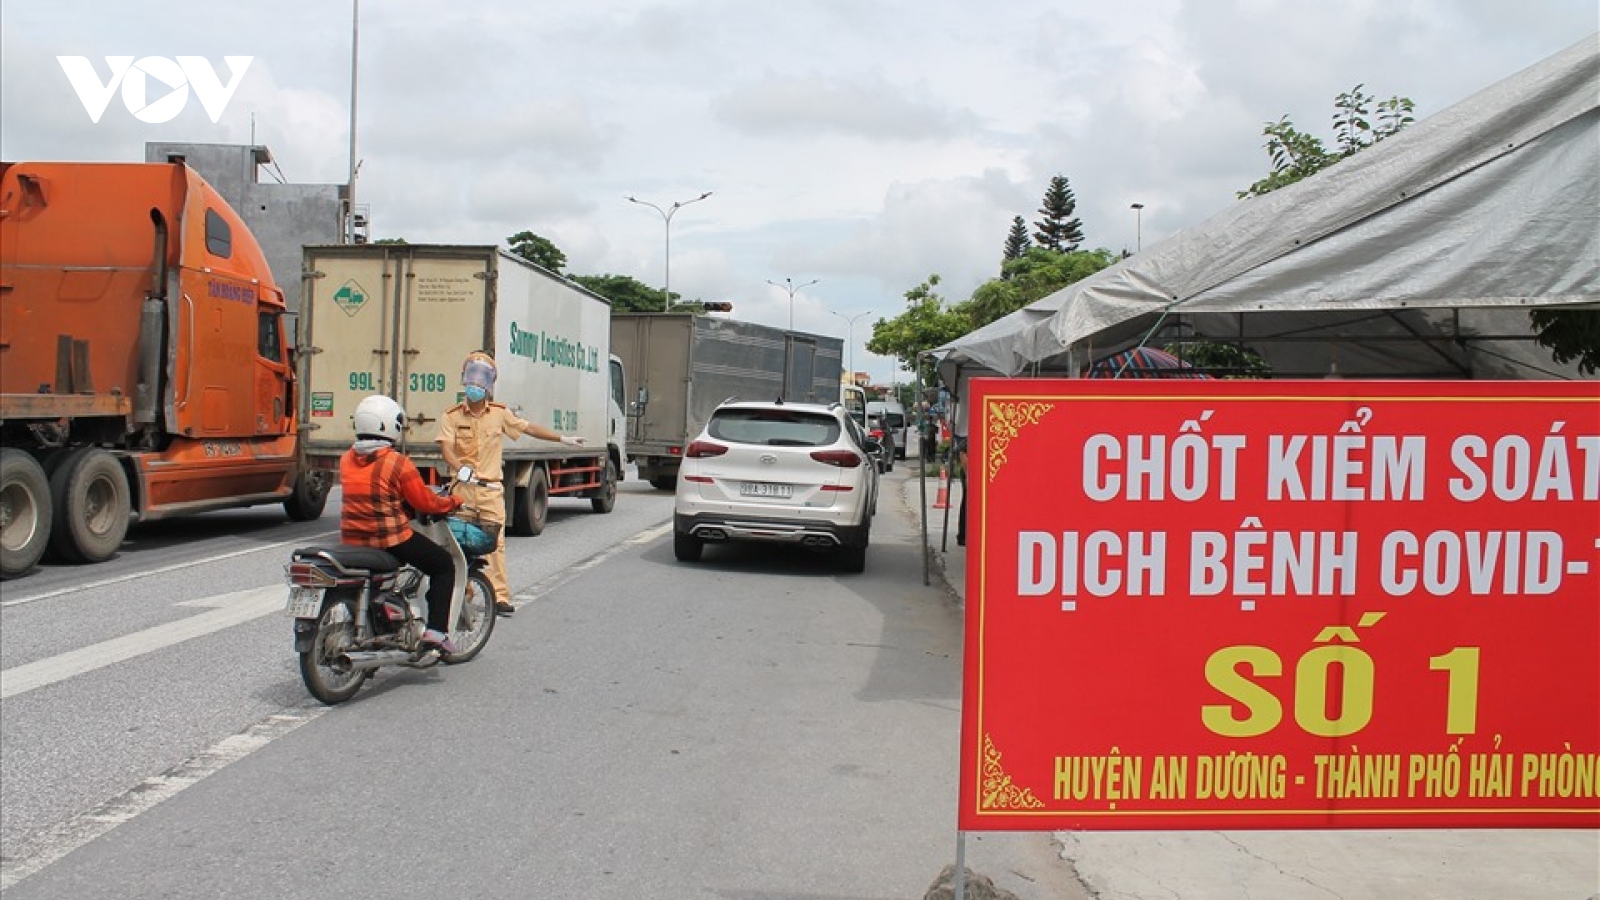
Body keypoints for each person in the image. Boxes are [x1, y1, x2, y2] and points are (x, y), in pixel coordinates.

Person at [437, 352, 585, 617]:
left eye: (481, 376)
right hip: (463, 490)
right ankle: (465, 591)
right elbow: (446, 450)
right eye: (471, 375)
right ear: (463, 378)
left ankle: (499, 595)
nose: (475, 382)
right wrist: (461, 470)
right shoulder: (451, 416)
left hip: (491, 490)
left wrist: (563, 439)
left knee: (495, 544)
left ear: (490, 382)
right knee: (458, 543)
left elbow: (528, 429)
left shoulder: (499, 414)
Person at [340, 394, 464, 653]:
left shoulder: (346, 459)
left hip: (352, 539)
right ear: (390, 425)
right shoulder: (398, 463)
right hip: (389, 540)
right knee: (442, 565)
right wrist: (452, 501)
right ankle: (437, 631)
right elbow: (426, 503)